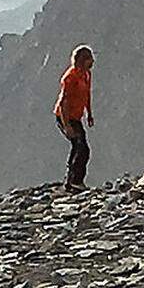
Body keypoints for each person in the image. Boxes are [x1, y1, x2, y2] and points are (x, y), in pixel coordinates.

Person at [53, 45, 95, 193]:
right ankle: (74, 181)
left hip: (76, 116)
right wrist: (67, 126)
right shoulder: (70, 78)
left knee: (79, 147)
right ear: (82, 60)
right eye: (89, 59)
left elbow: (86, 94)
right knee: (81, 147)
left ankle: (71, 181)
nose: (93, 61)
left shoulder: (86, 74)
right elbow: (64, 102)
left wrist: (89, 113)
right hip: (65, 117)